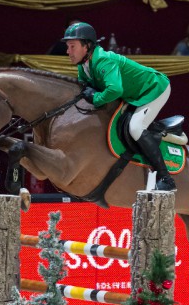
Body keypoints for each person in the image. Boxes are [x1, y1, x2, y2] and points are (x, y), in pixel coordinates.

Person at [62, 22, 176, 191]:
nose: (68, 51)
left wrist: (96, 98)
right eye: (67, 46)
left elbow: (115, 90)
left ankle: (166, 178)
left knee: (136, 127)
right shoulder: (83, 65)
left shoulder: (103, 60)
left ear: (87, 46)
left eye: (72, 46)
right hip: (133, 95)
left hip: (154, 88)